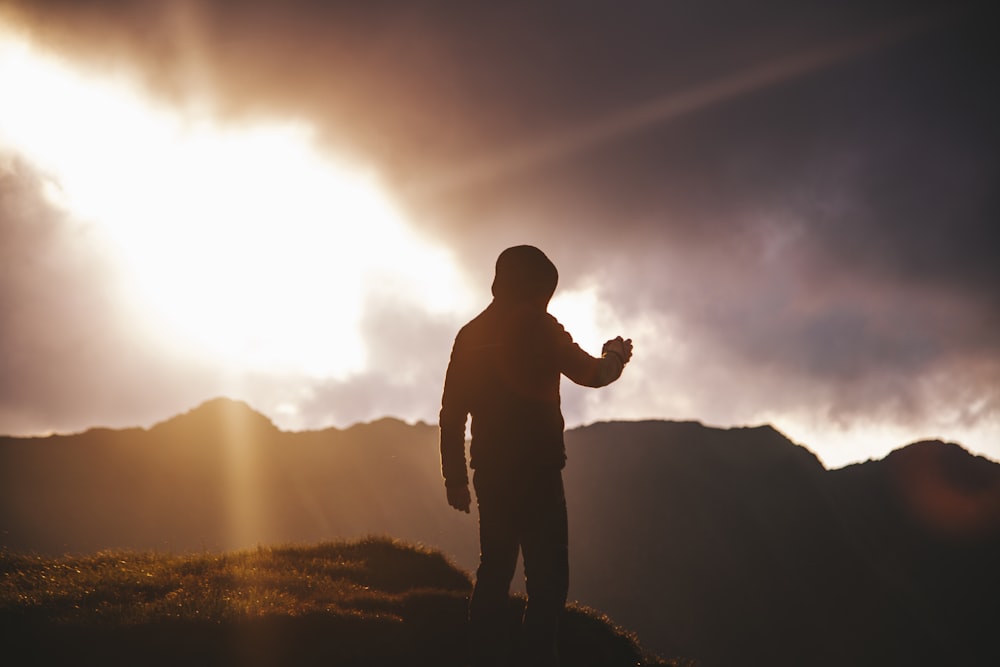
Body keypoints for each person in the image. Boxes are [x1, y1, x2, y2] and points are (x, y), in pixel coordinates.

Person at [439, 245, 633, 667]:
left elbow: (451, 415)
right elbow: (594, 374)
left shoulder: (469, 336)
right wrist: (616, 354)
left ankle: (482, 655)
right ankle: (538, 658)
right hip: (540, 472)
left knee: (494, 570)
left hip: (488, 471)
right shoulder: (541, 328)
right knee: (547, 581)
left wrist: (454, 477)